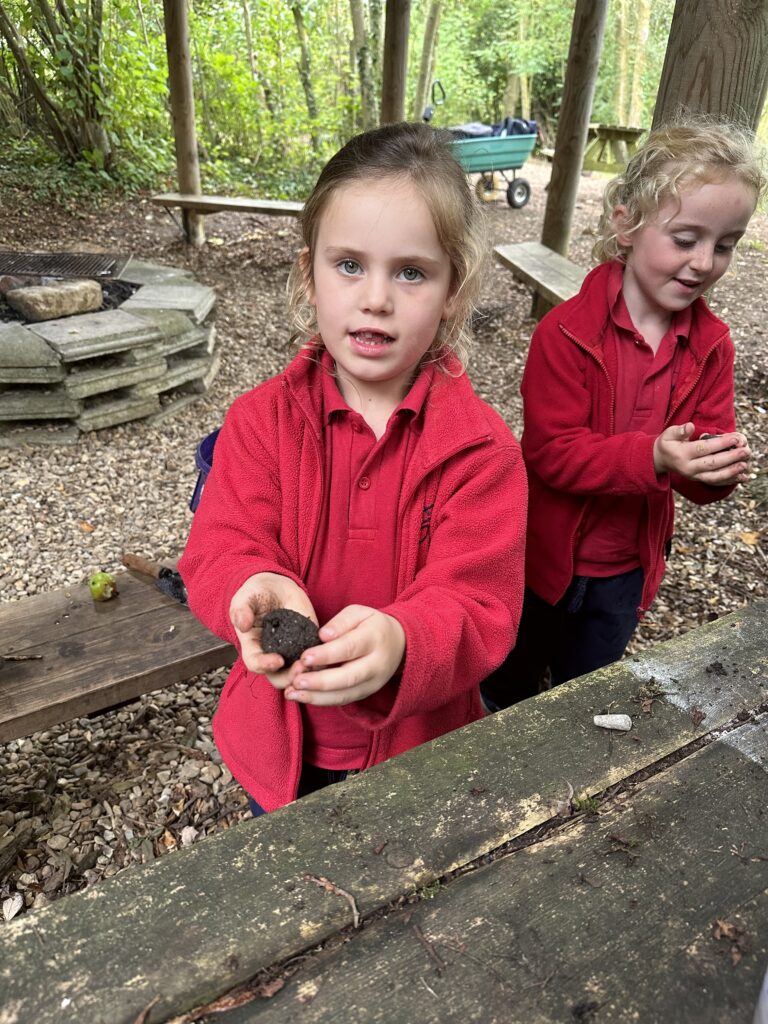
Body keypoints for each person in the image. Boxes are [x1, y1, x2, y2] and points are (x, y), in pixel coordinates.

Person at [179, 122, 527, 815]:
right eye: (349, 265)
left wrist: (405, 638)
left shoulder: (481, 451)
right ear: (309, 274)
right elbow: (218, 544)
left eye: (410, 272)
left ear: (453, 289)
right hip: (282, 742)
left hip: (420, 748)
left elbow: (481, 604)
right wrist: (256, 583)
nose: (376, 298)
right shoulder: (260, 423)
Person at [481, 115, 766, 712]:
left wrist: (710, 469)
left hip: (625, 573)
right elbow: (551, 452)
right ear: (626, 224)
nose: (703, 262)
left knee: (584, 697)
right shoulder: (566, 333)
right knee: (507, 685)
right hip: (541, 560)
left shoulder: (711, 345)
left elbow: (695, 475)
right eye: (685, 239)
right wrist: (655, 455)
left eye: (726, 244)